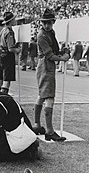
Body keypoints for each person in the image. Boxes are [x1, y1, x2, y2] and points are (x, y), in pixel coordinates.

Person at [33, 8, 70, 141]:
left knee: (42, 95)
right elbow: (49, 55)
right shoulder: (41, 35)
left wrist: (63, 51)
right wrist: (63, 58)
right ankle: (49, 131)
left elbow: (54, 50)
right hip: (45, 66)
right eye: (45, 22)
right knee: (49, 97)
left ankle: (37, 125)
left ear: (53, 22)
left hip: (47, 66)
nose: (47, 25)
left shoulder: (50, 32)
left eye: (49, 22)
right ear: (41, 23)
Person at [0, 11, 21, 94]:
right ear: (11, 21)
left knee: (0, 79)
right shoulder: (9, 32)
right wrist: (18, 50)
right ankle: (3, 97)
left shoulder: (2, 30)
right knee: (7, 80)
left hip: (1, 55)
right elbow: (10, 48)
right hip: (8, 56)